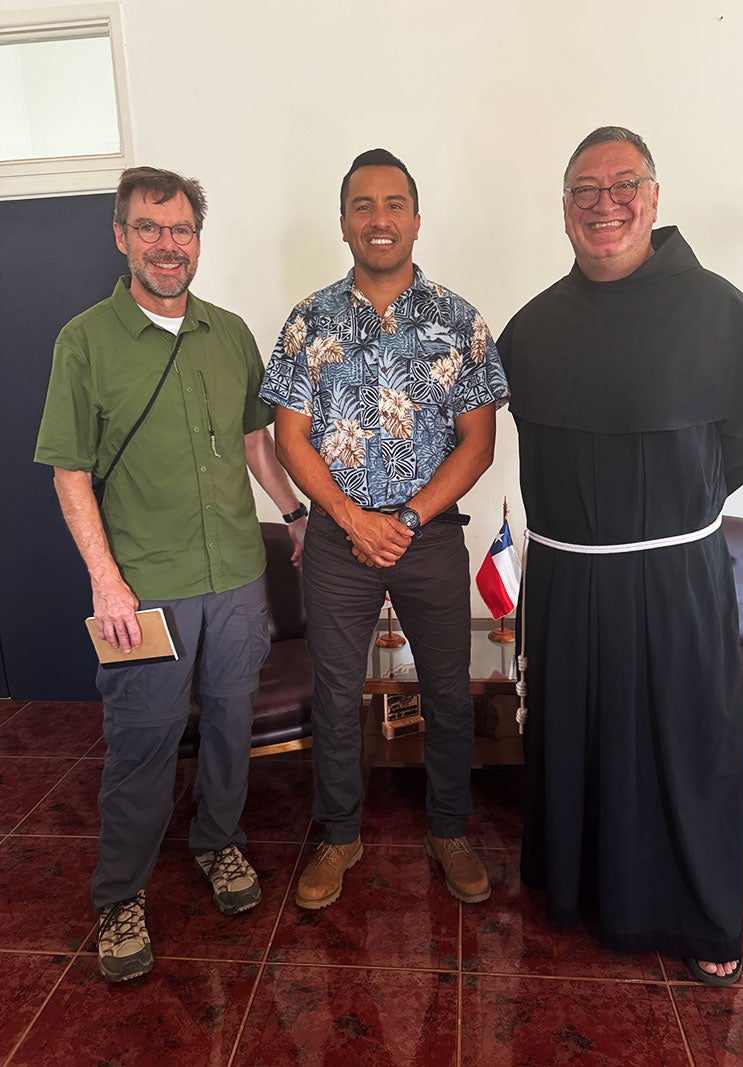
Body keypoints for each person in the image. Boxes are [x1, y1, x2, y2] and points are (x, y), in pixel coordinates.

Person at [497, 127, 743, 986]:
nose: (604, 203)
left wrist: (675, 508)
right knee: (578, 732)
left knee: (684, 743)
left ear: (655, 198)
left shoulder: (718, 308)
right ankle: (583, 889)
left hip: (672, 573)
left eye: (623, 185)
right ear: (564, 210)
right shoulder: (534, 325)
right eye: (585, 189)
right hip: (568, 574)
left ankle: (700, 915)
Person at [34, 166, 308, 983]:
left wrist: (293, 514)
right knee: (142, 742)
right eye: (149, 228)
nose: (166, 244)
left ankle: (218, 843)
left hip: (234, 577)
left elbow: (258, 439)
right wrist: (106, 583)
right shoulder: (84, 341)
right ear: (121, 236)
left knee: (229, 726)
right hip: (142, 587)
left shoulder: (228, 334)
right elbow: (70, 473)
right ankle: (120, 892)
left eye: (180, 229)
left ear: (197, 240)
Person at [259, 148, 509, 909]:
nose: (379, 218)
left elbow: (479, 441)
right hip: (337, 543)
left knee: (449, 693)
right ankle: (338, 835)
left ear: (416, 219)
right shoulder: (310, 320)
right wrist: (349, 519)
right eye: (362, 205)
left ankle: (449, 828)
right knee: (335, 695)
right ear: (343, 223)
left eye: (393, 203)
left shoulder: (460, 321)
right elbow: (288, 434)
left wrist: (402, 518)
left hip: (428, 537)